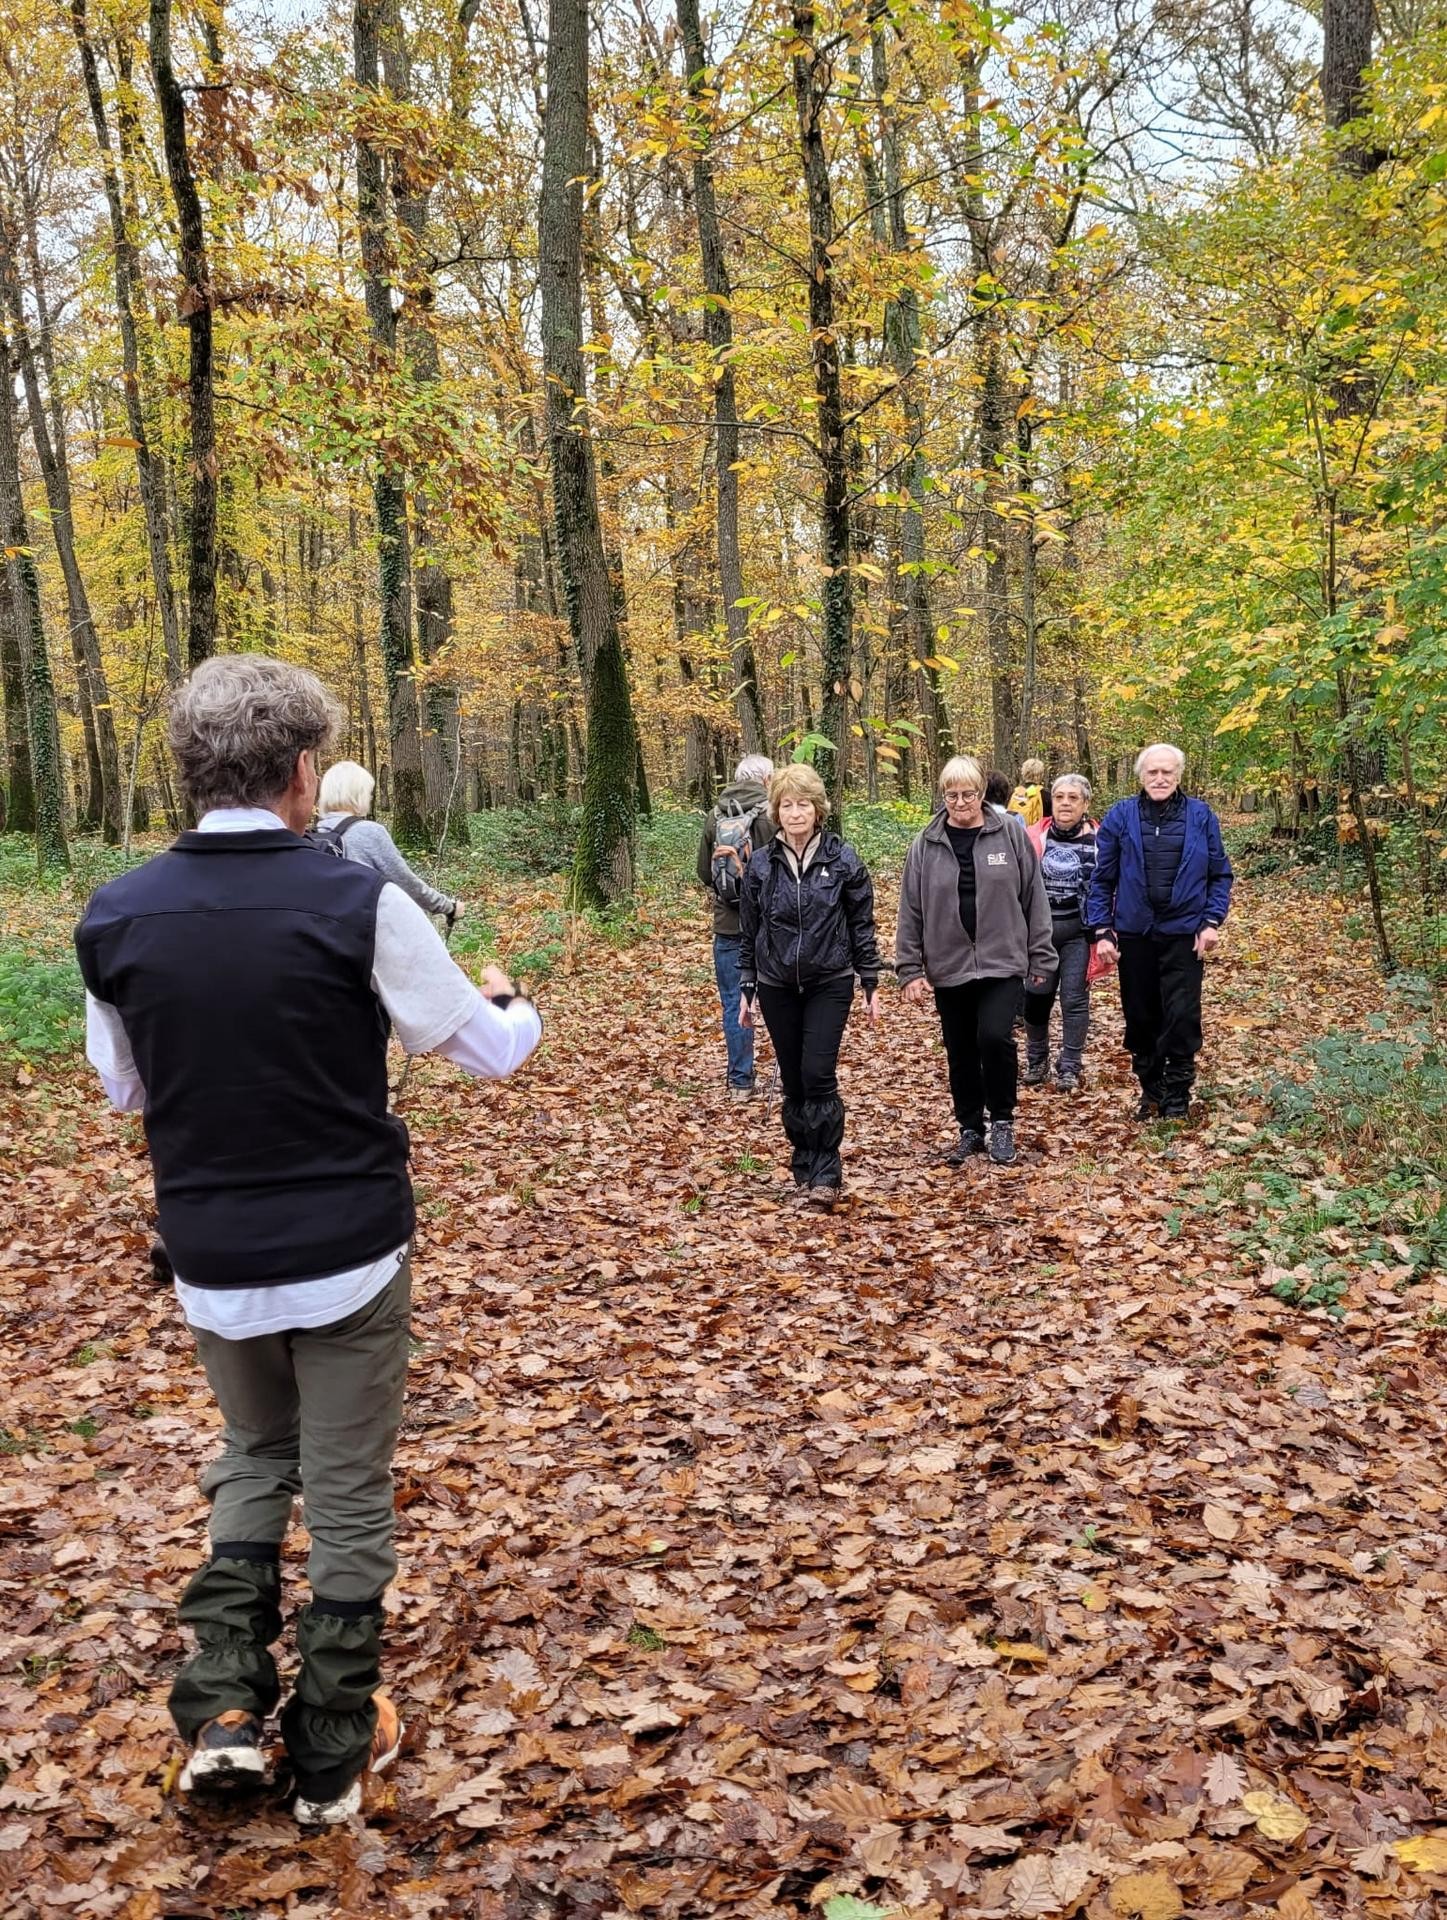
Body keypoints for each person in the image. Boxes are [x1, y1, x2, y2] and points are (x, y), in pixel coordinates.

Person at [74, 655, 542, 1826]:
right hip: (347, 1252)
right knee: (342, 1488)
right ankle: (332, 1746)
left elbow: (120, 1085)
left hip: (215, 1256)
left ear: (187, 774)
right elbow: (484, 1050)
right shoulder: (353, 902)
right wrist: (513, 999)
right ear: (298, 773)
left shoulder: (117, 913)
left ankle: (224, 1707)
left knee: (250, 1454)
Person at [896, 756, 1055, 1167]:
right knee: (961, 1048)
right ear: (943, 795)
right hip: (949, 963)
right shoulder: (926, 844)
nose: (960, 803)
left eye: (968, 794)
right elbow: (910, 910)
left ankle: (1002, 1119)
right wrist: (909, 969)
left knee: (994, 1037)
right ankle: (970, 1127)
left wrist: (1041, 953)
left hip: (1002, 960)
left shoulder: (1009, 835)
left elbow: (1033, 897)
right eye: (952, 795)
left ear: (982, 794)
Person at [738, 765, 881, 1208]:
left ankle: (826, 1171)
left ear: (818, 810)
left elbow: (861, 923)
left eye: (803, 804)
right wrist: (747, 986)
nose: (795, 812)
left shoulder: (843, 859)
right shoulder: (761, 865)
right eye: (787, 804)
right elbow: (749, 931)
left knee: (817, 1073)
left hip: (829, 980)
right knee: (795, 1079)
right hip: (777, 982)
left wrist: (870, 979)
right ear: (776, 811)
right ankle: (804, 1161)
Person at [1086, 742, 1234, 1120]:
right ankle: (1151, 1091)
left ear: (1179, 775)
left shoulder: (1201, 816)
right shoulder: (1121, 816)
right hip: (1135, 935)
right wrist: (1102, 930)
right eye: (1152, 772)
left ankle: (1177, 1097)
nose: (1160, 778)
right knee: (1141, 1016)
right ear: (1141, 776)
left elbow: (1220, 874)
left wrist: (1211, 922)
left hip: (1185, 934)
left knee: (1182, 1015)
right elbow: (1102, 880)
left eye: (1167, 771)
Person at [696, 754, 775, 1097]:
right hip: (772, 924)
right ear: (767, 780)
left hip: (728, 924)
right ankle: (788, 1076)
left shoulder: (716, 815)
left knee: (734, 1001)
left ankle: (741, 1083)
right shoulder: (775, 814)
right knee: (779, 1000)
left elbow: (703, 871)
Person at [1022, 773, 1104, 1093]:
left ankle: (1069, 1066)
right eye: (1059, 797)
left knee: (1074, 1001)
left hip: (1078, 934)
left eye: (1073, 797)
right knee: (1036, 999)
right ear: (1051, 801)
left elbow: (1111, 888)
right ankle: (1036, 1060)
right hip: (1040, 934)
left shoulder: (1102, 841)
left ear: (1085, 803)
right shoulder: (1032, 837)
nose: (1065, 803)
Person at [316, 760, 461, 923]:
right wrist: (448, 906)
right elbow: (406, 882)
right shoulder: (368, 832)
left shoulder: (314, 835)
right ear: (357, 794)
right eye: (368, 792)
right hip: (361, 934)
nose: (370, 797)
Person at [1008, 757, 1047, 826]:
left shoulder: (1014, 793)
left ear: (1023, 773)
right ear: (1041, 774)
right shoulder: (1045, 795)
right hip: (1035, 835)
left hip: (1016, 835)